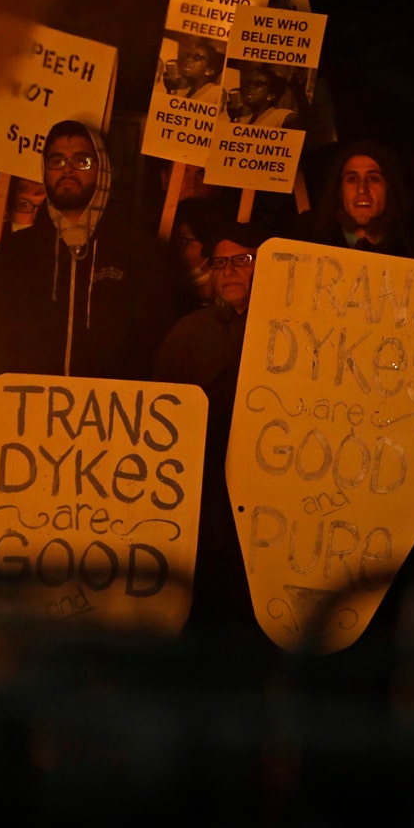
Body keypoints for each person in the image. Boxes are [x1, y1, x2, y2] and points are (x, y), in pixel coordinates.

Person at [0, 120, 180, 385]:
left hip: (112, 414)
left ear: (103, 170)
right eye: (57, 161)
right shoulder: (14, 253)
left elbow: (160, 345)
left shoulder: (141, 252)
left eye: (82, 161)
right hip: (28, 415)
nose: (68, 169)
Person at [155, 220, 270, 628]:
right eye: (220, 263)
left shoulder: (287, 333)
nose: (230, 270)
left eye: (243, 260)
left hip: (266, 501)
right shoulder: (187, 334)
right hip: (204, 502)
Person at [304, 141, 414, 257]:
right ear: (340, 190)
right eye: (352, 179)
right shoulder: (305, 237)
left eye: (373, 179)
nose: (362, 189)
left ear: (389, 188)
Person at [160, 33, 225, 106]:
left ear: (209, 71)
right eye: (188, 56)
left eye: (197, 57)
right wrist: (169, 89)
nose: (189, 59)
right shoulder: (184, 92)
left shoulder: (216, 92)